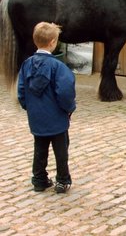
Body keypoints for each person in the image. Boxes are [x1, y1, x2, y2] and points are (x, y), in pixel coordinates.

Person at [17, 22, 76, 194]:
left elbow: (21, 91)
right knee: (61, 150)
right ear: (52, 42)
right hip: (57, 117)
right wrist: (69, 108)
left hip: (36, 116)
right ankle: (62, 181)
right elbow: (65, 91)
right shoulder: (58, 67)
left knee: (40, 148)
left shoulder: (26, 64)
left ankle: (39, 180)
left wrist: (29, 107)